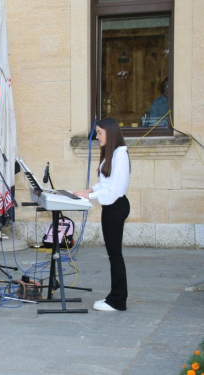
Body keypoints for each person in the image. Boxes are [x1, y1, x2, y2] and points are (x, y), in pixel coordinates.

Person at [74, 117, 130, 312]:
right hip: (111, 207)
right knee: (113, 255)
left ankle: (117, 300)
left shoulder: (120, 154)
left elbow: (114, 190)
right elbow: (105, 183)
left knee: (115, 255)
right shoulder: (111, 153)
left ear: (110, 132)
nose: (96, 137)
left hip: (116, 206)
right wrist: (88, 191)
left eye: (99, 133)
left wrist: (93, 196)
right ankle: (116, 296)